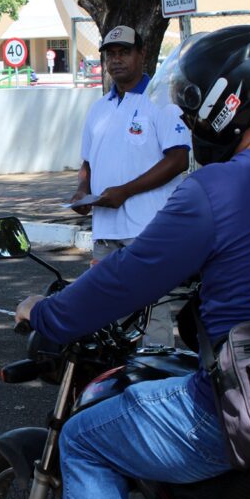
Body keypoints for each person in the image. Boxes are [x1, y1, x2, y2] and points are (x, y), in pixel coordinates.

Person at [15, 25, 250, 499]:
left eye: (192, 103)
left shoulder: (215, 188)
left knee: (83, 438)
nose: (186, 117)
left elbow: (124, 279)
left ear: (226, 103)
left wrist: (45, 313)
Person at [70, 25, 190, 346]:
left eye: (124, 52)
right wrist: (82, 192)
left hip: (147, 230)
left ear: (142, 54)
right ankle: (119, 381)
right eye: (111, 54)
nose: (116, 60)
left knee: (151, 314)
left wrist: (126, 191)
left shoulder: (162, 102)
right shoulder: (99, 109)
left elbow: (178, 159)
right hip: (105, 233)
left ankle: (155, 381)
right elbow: (88, 163)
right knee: (112, 315)